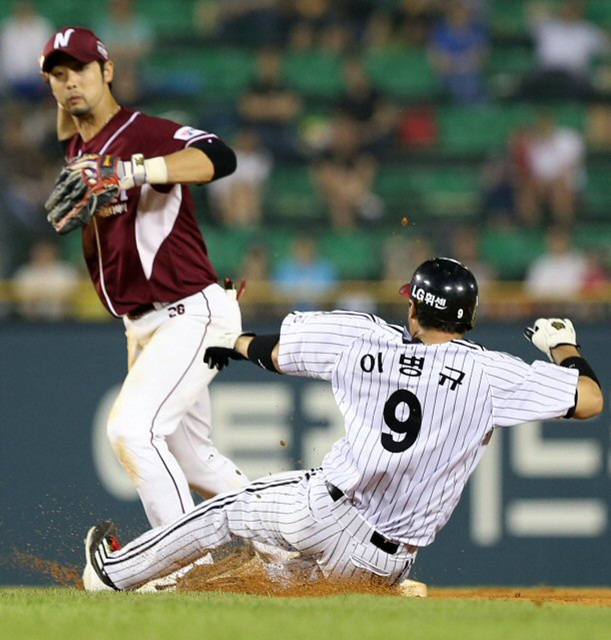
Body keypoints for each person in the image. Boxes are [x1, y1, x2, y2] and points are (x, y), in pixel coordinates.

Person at [81, 257, 603, 592]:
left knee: (226, 514)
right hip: (386, 564)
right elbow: (588, 400)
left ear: (415, 309)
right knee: (263, 581)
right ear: (465, 319)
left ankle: (113, 574)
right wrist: (563, 345)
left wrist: (232, 342)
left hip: (328, 511)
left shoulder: (365, 338)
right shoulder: (491, 374)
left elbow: (275, 353)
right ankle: (175, 592)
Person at [40, 26, 250, 529]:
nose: (71, 84)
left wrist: (128, 172)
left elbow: (220, 158)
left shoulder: (143, 133)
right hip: (144, 328)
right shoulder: (77, 146)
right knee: (197, 463)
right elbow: (67, 131)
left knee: (132, 430)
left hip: (190, 312)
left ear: (108, 71)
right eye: (59, 75)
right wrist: (81, 138)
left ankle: (179, 566)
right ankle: (304, 546)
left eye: (83, 71)